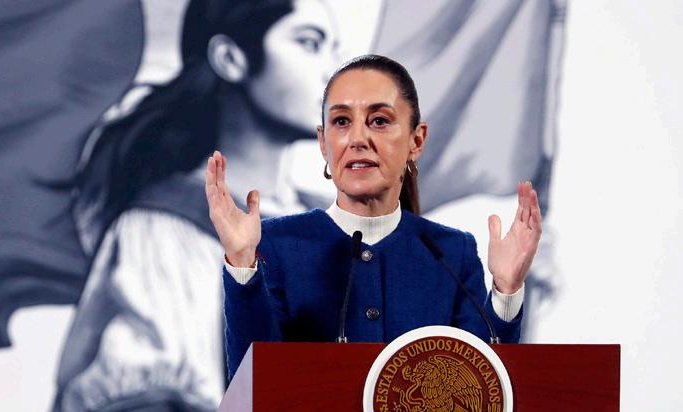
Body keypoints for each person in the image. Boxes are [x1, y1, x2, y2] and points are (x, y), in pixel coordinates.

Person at [53, 1, 344, 411]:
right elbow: (146, 399)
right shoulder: (168, 225)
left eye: (334, 49)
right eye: (309, 43)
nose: (335, 73)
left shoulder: (335, 225)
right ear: (230, 58)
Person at [205, 55, 542, 380]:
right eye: (341, 122)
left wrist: (506, 289)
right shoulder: (275, 246)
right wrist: (242, 264)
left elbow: (481, 384)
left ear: (416, 140)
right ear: (323, 142)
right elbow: (251, 383)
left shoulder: (451, 253)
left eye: (379, 121)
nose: (357, 139)